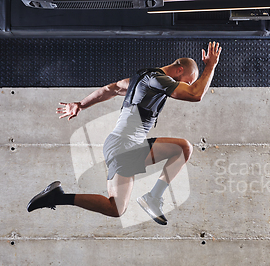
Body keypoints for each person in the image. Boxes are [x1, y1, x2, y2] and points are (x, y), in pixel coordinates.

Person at [27, 41, 222, 225]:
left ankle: (57, 196)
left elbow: (109, 89)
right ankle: (153, 198)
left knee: (116, 208)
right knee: (183, 148)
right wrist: (211, 66)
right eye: (186, 82)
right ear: (179, 70)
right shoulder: (156, 79)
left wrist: (80, 104)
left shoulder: (141, 79)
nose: (185, 87)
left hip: (122, 145)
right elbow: (195, 94)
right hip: (124, 145)